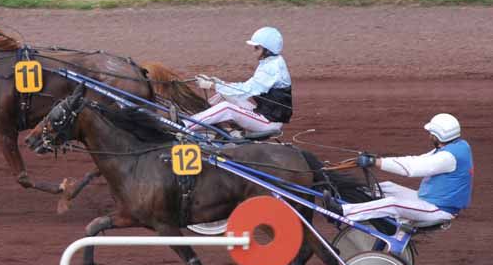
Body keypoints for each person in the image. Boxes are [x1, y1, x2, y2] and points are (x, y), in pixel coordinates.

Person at [325, 113, 474, 226]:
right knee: (386, 187)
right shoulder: (457, 146)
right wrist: (377, 160)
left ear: (437, 136)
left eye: (431, 134)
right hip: (427, 199)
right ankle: (346, 200)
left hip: (439, 210)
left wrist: (375, 162)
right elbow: (417, 160)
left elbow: (412, 169)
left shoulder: (448, 157)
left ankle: (342, 212)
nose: (429, 136)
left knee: (393, 204)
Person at [187, 26, 293, 138]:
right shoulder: (271, 62)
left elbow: (245, 91)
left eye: (257, 48)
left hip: (269, 122)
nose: (254, 51)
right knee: (222, 95)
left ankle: (184, 125)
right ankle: (210, 124)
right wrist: (218, 82)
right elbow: (244, 87)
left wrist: (212, 85)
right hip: (263, 113)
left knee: (226, 108)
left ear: (267, 50)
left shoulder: (272, 68)